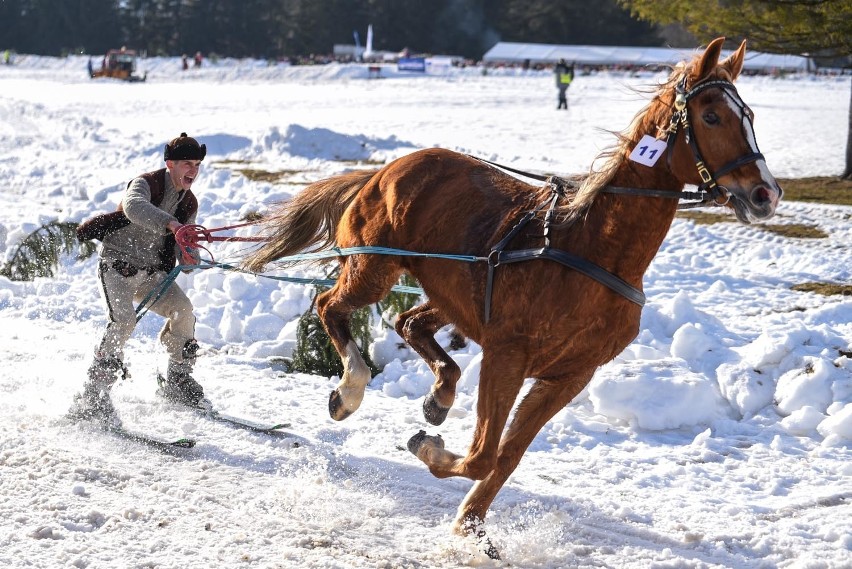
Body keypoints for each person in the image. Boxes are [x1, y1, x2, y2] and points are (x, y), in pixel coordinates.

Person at [70, 133, 207, 425]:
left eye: (197, 164)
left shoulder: (189, 203)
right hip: (117, 267)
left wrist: (189, 250)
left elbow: (187, 263)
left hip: (151, 275)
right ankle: (93, 394)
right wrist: (171, 224)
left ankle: (178, 380)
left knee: (184, 310)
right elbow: (133, 208)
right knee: (124, 321)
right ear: (170, 163)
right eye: (187, 163)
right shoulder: (146, 183)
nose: (193, 170)